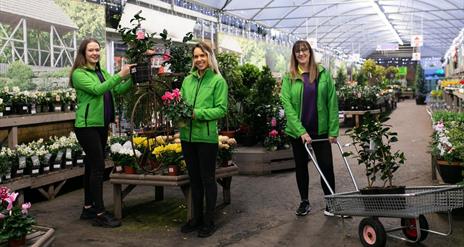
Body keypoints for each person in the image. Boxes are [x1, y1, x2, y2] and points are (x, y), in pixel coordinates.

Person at [70, 38, 134, 227]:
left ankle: (88, 207)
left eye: (97, 50)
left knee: (91, 166)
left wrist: (130, 77)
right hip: (86, 126)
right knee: (98, 167)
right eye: (91, 50)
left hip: (101, 124)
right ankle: (99, 213)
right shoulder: (79, 74)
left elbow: (118, 88)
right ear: (84, 53)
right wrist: (119, 75)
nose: (95, 53)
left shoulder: (101, 71)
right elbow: (98, 90)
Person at [280, 40, 339, 217]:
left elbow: (332, 101)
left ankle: (331, 202)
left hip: (320, 129)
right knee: (301, 166)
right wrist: (301, 131)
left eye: (304, 50)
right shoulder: (289, 77)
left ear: (310, 52)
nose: (301, 54)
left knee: (326, 166)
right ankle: (304, 201)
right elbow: (287, 105)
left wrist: (333, 130)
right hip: (298, 132)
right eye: (297, 51)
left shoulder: (322, 74)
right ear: (294, 55)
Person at [179, 41, 228, 237]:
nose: (199, 59)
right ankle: (196, 218)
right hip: (187, 137)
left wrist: (196, 113)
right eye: (196, 56)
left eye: (203, 56)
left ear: (210, 57)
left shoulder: (218, 81)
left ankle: (209, 220)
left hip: (206, 138)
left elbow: (221, 109)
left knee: (207, 179)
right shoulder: (187, 80)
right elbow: (181, 103)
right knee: (194, 179)